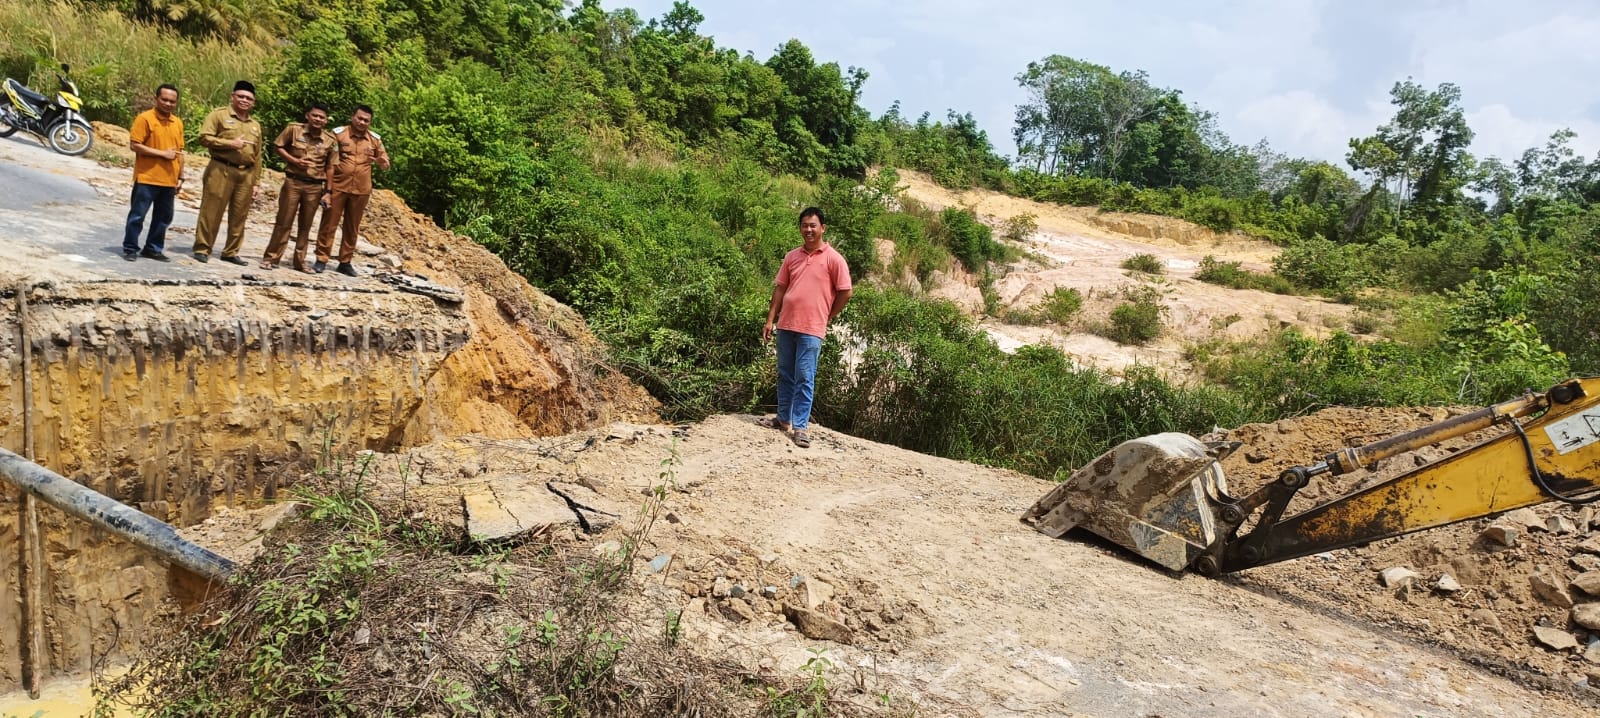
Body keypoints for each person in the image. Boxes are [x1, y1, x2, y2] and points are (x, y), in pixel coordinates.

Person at [761, 207, 852, 449]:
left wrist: (828, 315)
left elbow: (846, 291)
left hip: (812, 328)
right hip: (787, 323)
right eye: (804, 225)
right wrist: (770, 319)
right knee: (785, 373)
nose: (808, 230)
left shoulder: (834, 259)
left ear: (823, 228)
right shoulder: (792, 257)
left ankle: (800, 427)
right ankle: (783, 419)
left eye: (813, 225)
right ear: (800, 228)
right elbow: (780, 289)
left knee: (804, 375)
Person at [193, 80, 263, 265]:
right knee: (211, 211)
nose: (244, 100)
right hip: (221, 168)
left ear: (253, 102)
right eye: (240, 96)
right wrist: (230, 144)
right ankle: (203, 248)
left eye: (248, 98)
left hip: (246, 174)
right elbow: (204, 137)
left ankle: (231, 252)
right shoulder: (219, 116)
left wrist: (256, 182)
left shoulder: (254, 125)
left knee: (240, 215)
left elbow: (258, 155)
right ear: (232, 97)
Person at [314, 104, 390, 277]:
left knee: (352, 226)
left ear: (370, 123)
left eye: (366, 120)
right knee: (329, 223)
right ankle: (321, 258)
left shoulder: (374, 140)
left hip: (361, 190)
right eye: (360, 118)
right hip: (339, 186)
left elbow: (385, 162)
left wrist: (380, 160)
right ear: (352, 117)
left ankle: (345, 261)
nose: (362, 122)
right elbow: (328, 160)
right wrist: (327, 188)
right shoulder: (339, 134)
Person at [260, 103, 337, 272]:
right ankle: (271, 258)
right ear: (307, 116)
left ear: (326, 121)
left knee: (305, 226)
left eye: (322, 117)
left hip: (315, 187)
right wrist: (294, 161)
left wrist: (328, 192)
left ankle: (299, 262)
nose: (318, 119)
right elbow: (278, 146)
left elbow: (330, 167)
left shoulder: (330, 140)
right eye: (315, 115)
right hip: (293, 182)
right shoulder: (294, 130)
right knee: (283, 221)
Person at [122, 84, 183, 262]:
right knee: (137, 216)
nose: (168, 104)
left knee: (164, 218)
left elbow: (180, 151)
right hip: (147, 177)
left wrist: (181, 176)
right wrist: (162, 154)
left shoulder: (177, 122)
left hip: (169, 180)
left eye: (172, 101)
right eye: (164, 99)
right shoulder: (145, 119)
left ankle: (153, 248)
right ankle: (130, 247)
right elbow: (135, 145)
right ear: (156, 99)